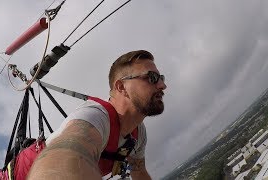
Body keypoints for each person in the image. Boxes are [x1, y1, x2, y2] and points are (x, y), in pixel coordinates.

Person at [27, 50, 167, 180]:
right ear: (121, 87)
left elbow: (139, 172)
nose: (162, 85)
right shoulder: (94, 117)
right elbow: (62, 159)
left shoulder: (138, 134)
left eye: (161, 78)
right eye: (152, 77)